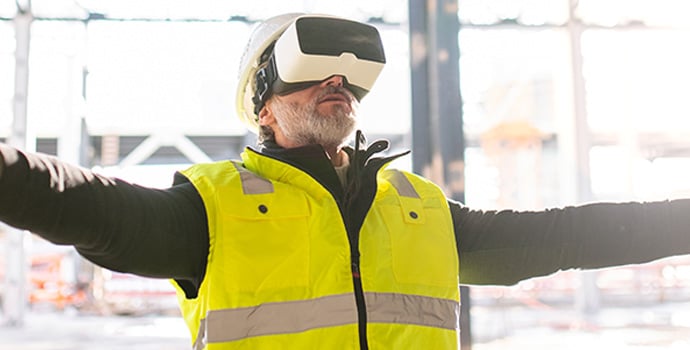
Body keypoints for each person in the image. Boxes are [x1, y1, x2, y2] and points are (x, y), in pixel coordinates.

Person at [1, 12, 690, 350]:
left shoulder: (419, 209)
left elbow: (572, 235)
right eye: (313, 74)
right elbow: (70, 199)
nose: (337, 84)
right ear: (263, 107)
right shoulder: (211, 211)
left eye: (348, 79)